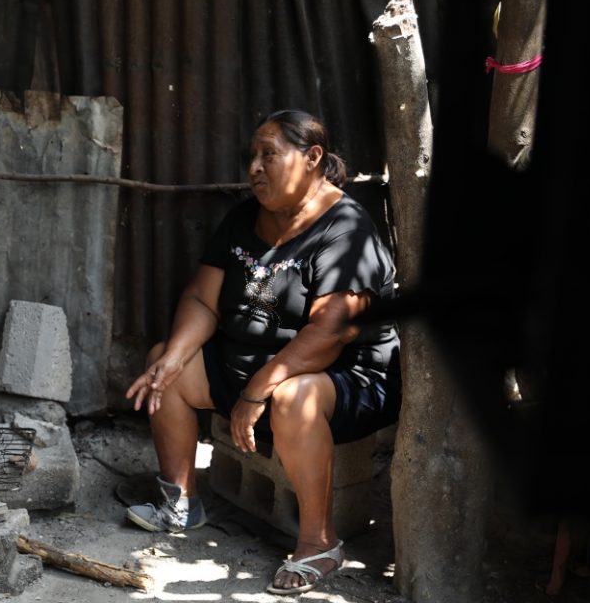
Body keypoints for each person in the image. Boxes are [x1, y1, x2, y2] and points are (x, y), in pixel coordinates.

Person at [124, 109, 401, 595]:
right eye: (252, 156)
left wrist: (257, 391)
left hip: (343, 377)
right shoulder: (243, 219)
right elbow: (201, 299)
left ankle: (319, 543)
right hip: (254, 368)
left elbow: (332, 331)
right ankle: (182, 502)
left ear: (312, 158)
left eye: (268, 155)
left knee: (294, 397)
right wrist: (172, 359)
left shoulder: (345, 228)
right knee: (166, 362)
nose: (254, 167)